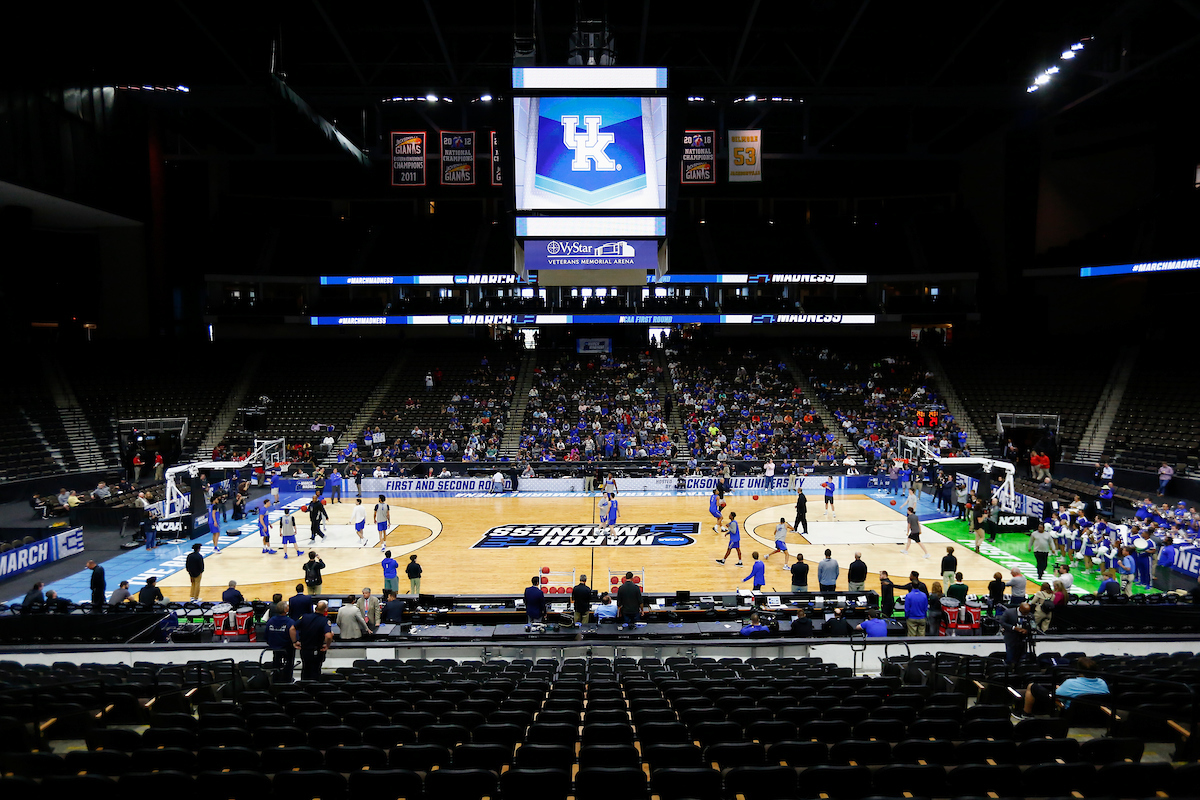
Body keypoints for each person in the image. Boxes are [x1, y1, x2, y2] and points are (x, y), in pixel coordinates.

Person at [1018, 657, 1109, 718]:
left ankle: (1026, 714)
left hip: (1072, 715)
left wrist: (1059, 689)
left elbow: (1054, 696)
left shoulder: (1070, 683)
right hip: (1094, 716)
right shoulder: (1102, 682)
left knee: (1032, 686)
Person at [297, 601, 333, 680]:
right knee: (316, 670)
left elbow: (292, 628)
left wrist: (294, 641)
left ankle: (303, 687)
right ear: (325, 610)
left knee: (305, 669)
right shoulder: (324, 620)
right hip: (317, 649)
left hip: (305, 649)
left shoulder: (305, 617)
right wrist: (327, 645)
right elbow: (329, 636)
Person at [264, 602, 298, 682]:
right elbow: (292, 632)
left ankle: (276, 679)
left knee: (276, 661)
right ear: (286, 610)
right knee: (289, 662)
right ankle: (287, 679)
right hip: (286, 647)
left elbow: (266, 634)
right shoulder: (290, 621)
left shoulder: (270, 621)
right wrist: (295, 642)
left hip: (275, 647)